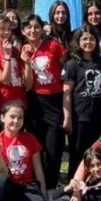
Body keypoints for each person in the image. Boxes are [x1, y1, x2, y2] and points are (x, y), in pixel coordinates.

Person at [23, 14, 68, 189]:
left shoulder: (53, 46)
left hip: (54, 100)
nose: (32, 30)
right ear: (24, 30)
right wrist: (26, 63)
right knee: (36, 147)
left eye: (36, 27)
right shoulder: (24, 49)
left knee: (53, 147)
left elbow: (66, 67)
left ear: (42, 29)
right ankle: (38, 183)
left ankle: (52, 183)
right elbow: (27, 85)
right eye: (29, 27)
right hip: (34, 102)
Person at [63, 27, 101, 179]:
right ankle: (74, 184)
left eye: (91, 39)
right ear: (78, 42)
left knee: (96, 154)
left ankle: (94, 183)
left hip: (98, 116)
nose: (88, 42)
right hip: (79, 117)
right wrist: (67, 117)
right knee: (77, 154)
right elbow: (67, 92)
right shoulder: (72, 64)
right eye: (84, 39)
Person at [0, 102, 48, 201]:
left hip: (27, 186)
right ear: (2, 118)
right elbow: (2, 173)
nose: (16, 121)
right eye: (12, 117)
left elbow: (38, 169)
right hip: (9, 185)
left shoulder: (29, 138)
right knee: (1, 179)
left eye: (20, 118)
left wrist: (43, 192)